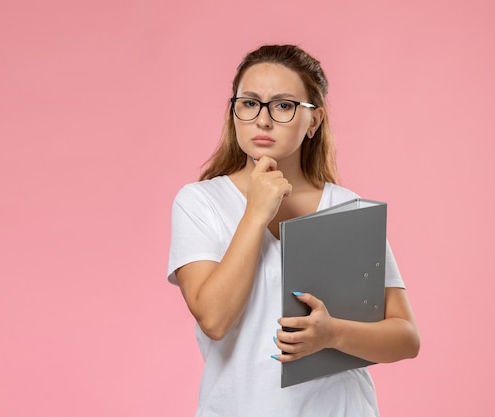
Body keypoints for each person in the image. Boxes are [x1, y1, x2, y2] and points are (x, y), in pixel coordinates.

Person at [167, 44, 420, 417]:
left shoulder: (347, 208)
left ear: (313, 121)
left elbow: (405, 337)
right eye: (249, 103)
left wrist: (332, 334)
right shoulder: (200, 202)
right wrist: (255, 213)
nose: (263, 120)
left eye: (283, 105)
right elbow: (214, 320)